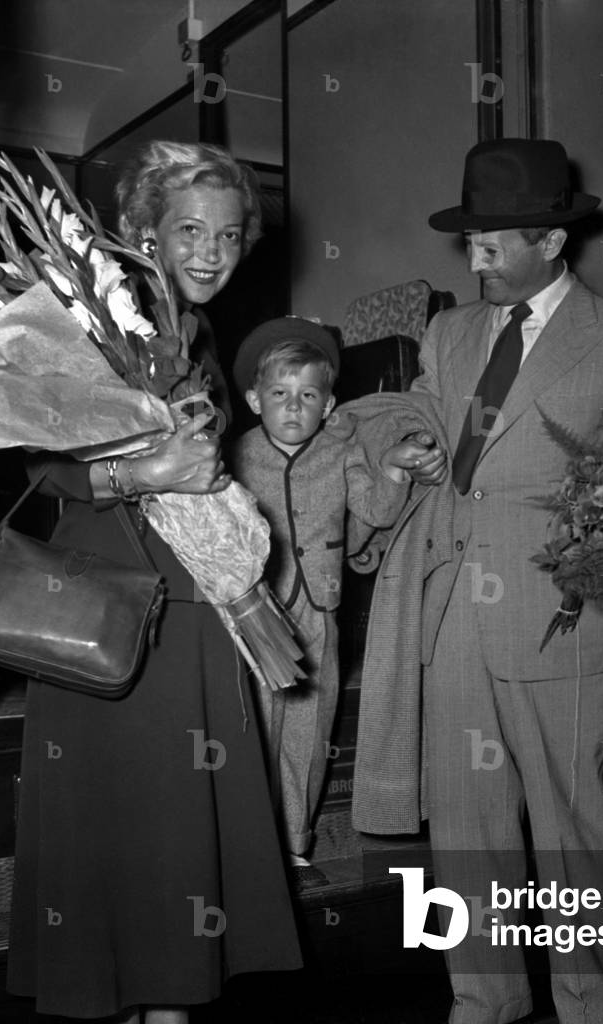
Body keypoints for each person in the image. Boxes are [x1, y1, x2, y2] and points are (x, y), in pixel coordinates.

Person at [365, 138, 603, 1024]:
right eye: (469, 243)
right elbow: (419, 414)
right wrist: (408, 445)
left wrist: (593, 554)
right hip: (451, 612)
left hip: (560, 620)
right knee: (465, 829)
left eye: (491, 244)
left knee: (573, 831)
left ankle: (588, 1006)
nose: (475, 261)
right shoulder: (450, 332)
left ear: (550, 240)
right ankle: (484, 999)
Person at [7, 142, 302, 1023]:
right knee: (117, 818)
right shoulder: (88, 315)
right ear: (144, 232)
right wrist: (143, 474)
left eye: (229, 234)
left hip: (189, 602)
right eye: (190, 231)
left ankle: (169, 1005)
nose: (212, 251)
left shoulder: (198, 334)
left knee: (175, 825)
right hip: (102, 594)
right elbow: (37, 465)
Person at [230, 317, 412, 886]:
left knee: (309, 732)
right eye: (279, 394)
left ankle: (294, 845)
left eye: (308, 396)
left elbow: (375, 512)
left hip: (319, 608)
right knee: (256, 726)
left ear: (328, 404)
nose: (293, 407)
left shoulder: (340, 449)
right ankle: (247, 845)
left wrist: (392, 468)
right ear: (254, 400)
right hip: (255, 607)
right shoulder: (235, 454)